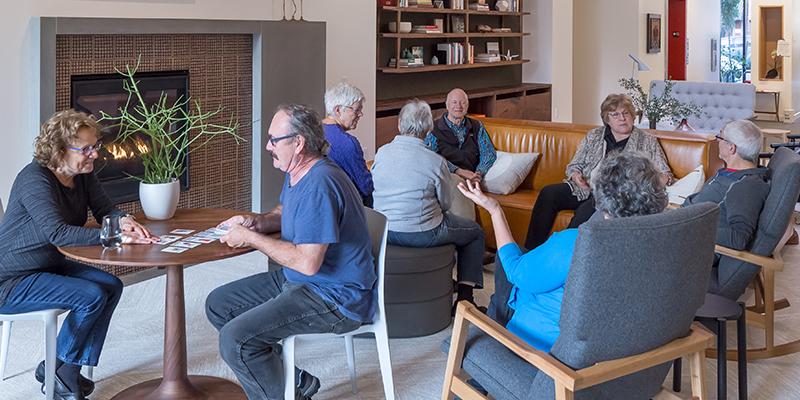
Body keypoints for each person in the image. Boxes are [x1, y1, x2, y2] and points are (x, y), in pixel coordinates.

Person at [205, 104, 375, 400]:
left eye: (274, 140)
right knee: (219, 304)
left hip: (335, 296)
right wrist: (256, 223)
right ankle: (293, 381)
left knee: (236, 340)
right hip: (302, 281)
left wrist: (250, 239)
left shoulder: (320, 184)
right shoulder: (297, 171)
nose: (268, 146)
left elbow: (308, 263)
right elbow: (284, 212)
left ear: (298, 143)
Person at [0, 109, 156, 400]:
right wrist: (114, 236)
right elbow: (57, 233)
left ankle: (57, 366)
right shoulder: (34, 179)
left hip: (49, 264)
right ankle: (64, 372)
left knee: (111, 285)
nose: (94, 154)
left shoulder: (82, 174)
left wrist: (122, 220)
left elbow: (104, 209)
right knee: (91, 295)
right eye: (86, 149)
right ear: (59, 151)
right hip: (10, 278)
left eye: (95, 146)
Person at [458, 151, 668, 355]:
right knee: (520, 263)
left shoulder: (578, 242)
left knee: (506, 276)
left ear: (602, 196)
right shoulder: (663, 245)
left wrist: (495, 210)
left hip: (553, 357)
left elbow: (515, 271)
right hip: (616, 357)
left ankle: (487, 365)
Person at [372, 100, 485, 313]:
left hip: (384, 230)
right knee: (475, 232)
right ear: (428, 129)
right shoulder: (435, 161)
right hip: (423, 232)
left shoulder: (382, 153)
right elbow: (445, 203)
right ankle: (464, 300)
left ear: (399, 125)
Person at [524, 93, 673, 250]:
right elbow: (575, 165)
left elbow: (665, 174)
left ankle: (565, 255)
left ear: (633, 116)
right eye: (615, 114)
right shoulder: (594, 135)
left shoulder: (647, 141)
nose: (622, 118)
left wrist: (646, 182)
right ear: (607, 119)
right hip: (583, 188)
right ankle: (531, 251)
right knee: (549, 193)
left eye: (626, 113)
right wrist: (576, 176)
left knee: (587, 209)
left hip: (613, 194)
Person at [683, 119, 769, 299]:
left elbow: (738, 237)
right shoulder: (732, 173)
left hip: (691, 249)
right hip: (683, 232)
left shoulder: (746, 187)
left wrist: (689, 227)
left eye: (720, 138)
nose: (717, 141)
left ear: (732, 148)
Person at [424, 88, 497, 184]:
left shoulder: (477, 126)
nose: (458, 106)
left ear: (467, 105)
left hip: (473, 179)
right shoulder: (433, 129)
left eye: (462, 102)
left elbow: (488, 153)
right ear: (447, 105)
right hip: (446, 179)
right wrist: (458, 171)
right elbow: (430, 158)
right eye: (454, 102)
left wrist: (478, 174)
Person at [322, 81, 374, 207]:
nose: (360, 114)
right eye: (357, 110)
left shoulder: (314, 131)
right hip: (347, 210)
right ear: (338, 110)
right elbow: (366, 187)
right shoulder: (348, 143)